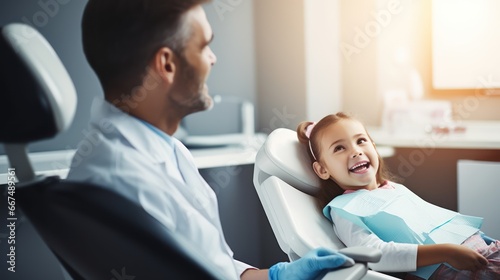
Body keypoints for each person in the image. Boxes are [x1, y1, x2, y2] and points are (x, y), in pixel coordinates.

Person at [67, 1, 354, 279]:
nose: (213, 59)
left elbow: (209, 266)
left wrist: (275, 276)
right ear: (166, 64)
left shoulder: (161, 149)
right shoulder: (127, 182)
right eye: (204, 46)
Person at [296, 112, 500, 279]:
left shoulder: (392, 188)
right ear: (322, 169)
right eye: (339, 148)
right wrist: (447, 252)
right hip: (458, 270)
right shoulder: (343, 210)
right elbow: (375, 254)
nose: (356, 151)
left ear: (374, 147)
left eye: (361, 141)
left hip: (485, 250)